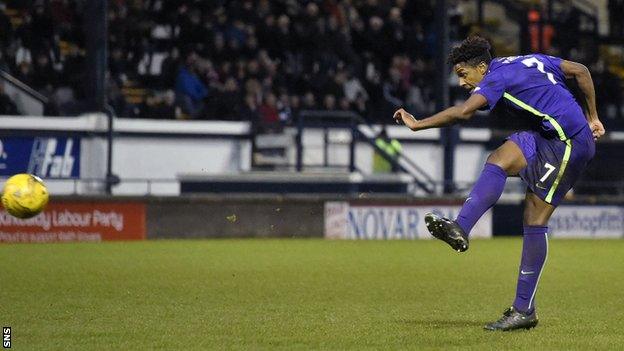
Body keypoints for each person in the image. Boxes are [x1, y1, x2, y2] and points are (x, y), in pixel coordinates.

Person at [393, 36, 604, 331]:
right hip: (546, 134)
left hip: (570, 142)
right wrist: (593, 116)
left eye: (463, 75)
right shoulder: (526, 60)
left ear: (481, 66)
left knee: (534, 215)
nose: (463, 83)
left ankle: (523, 309)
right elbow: (581, 70)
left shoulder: (496, 77)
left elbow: (463, 113)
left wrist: (418, 124)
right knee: (499, 158)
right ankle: (460, 227)